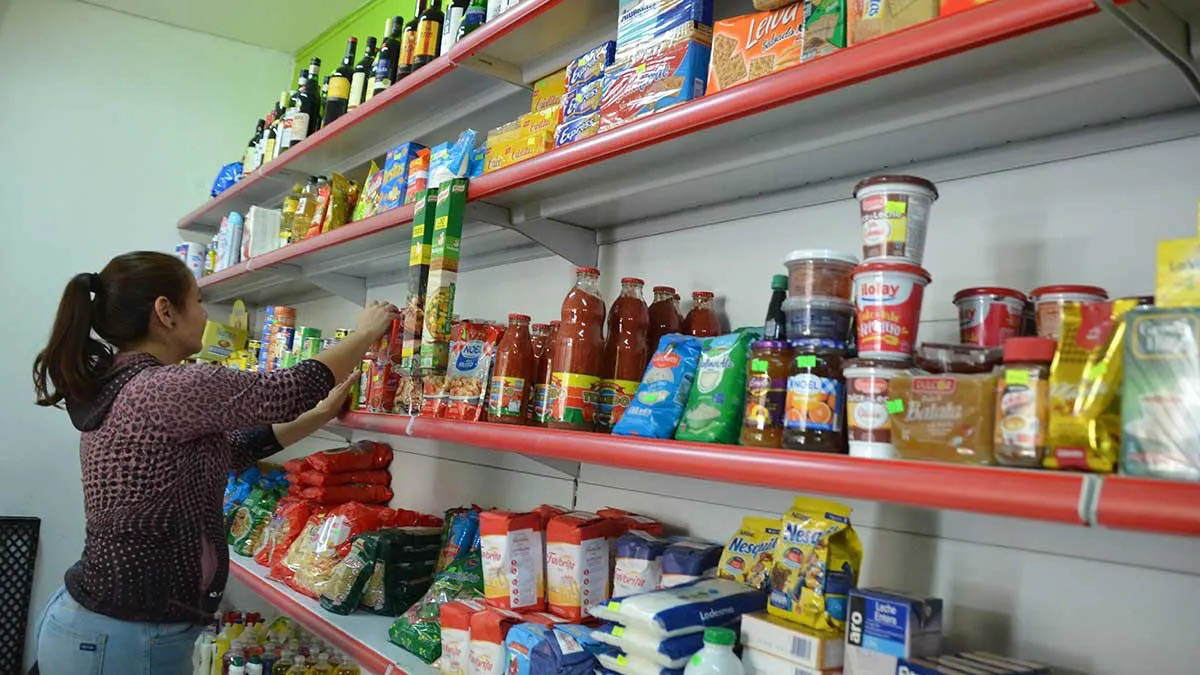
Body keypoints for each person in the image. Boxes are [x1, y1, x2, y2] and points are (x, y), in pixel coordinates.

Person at [29, 251, 397, 673]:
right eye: (199, 301)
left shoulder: (124, 385)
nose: (205, 314)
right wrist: (365, 333)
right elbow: (286, 390)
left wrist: (317, 416)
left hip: (106, 628)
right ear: (165, 312)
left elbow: (229, 450)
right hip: (124, 637)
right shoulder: (163, 387)